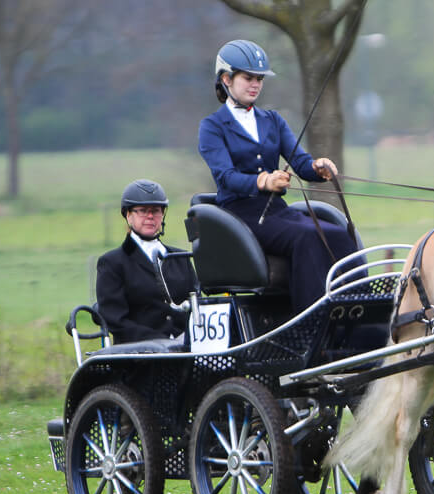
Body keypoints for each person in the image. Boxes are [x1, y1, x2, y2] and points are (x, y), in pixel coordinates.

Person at [198, 39, 359, 313]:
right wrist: (263, 181)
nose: (255, 84)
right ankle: (311, 321)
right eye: (248, 77)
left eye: (259, 79)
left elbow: (300, 163)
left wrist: (318, 168)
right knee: (306, 237)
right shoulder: (212, 127)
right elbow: (225, 177)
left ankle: (358, 312)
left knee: (341, 235)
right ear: (226, 79)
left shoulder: (272, 120)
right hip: (240, 216)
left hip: (277, 211)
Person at [96, 179, 197, 344]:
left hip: (186, 346)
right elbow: (115, 320)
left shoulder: (180, 258)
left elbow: (196, 304)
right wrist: (160, 342)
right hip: (139, 352)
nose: (150, 216)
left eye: (156, 211)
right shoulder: (112, 263)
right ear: (128, 216)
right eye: (142, 211)